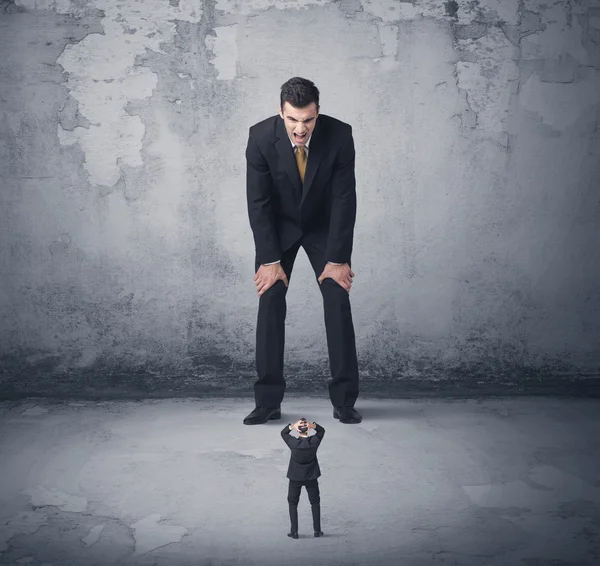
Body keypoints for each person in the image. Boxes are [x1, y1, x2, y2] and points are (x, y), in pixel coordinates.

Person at [243, 77, 362, 426]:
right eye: (293, 119)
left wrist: (338, 259)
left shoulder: (340, 136)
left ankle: (344, 401)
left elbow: (344, 199)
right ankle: (267, 402)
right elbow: (258, 203)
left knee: (338, 300)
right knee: (270, 300)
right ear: (281, 112)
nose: (300, 128)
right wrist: (269, 260)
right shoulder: (260, 137)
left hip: (323, 226)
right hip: (278, 229)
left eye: (308, 120)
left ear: (317, 113)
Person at [281, 418, 326, 538]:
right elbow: (322, 431)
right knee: (315, 502)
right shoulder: (314, 442)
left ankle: (294, 532)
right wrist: (313, 425)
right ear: (308, 430)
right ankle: (317, 531)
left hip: (295, 477)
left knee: (293, 503)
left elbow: (283, 433)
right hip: (311, 476)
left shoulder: (294, 444)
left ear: (298, 431)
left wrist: (292, 426)